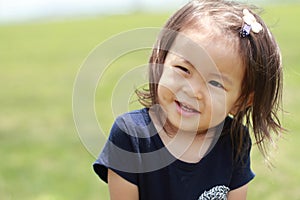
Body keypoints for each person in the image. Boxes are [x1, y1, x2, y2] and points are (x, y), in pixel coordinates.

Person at [93, 0, 283, 199]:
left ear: (241, 101)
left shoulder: (235, 141)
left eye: (215, 84)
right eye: (183, 69)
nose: (193, 91)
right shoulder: (130, 136)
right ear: (160, 61)